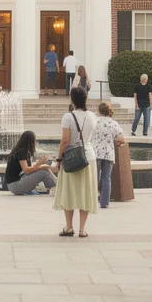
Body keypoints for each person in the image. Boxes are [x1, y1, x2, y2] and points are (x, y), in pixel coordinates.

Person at [54, 87, 99, 236]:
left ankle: (69, 227)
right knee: (86, 192)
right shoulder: (92, 116)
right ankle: (82, 229)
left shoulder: (68, 117)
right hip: (89, 157)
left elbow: (65, 140)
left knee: (69, 192)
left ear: (72, 99)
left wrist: (58, 159)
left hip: (72, 157)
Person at [93, 102, 126, 208]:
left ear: (99, 111)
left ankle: (92, 201)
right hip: (108, 153)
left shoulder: (95, 122)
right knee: (106, 178)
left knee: (94, 177)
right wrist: (114, 143)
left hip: (96, 153)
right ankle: (104, 203)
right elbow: (122, 140)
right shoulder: (113, 123)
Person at [4, 130, 56, 195]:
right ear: (30, 141)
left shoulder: (21, 150)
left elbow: (29, 169)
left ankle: (55, 186)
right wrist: (39, 163)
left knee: (44, 167)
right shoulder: (21, 152)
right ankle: (54, 189)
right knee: (43, 173)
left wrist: (43, 165)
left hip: (18, 182)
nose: (35, 142)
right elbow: (27, 170)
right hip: (16, 186)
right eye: (34, 140)